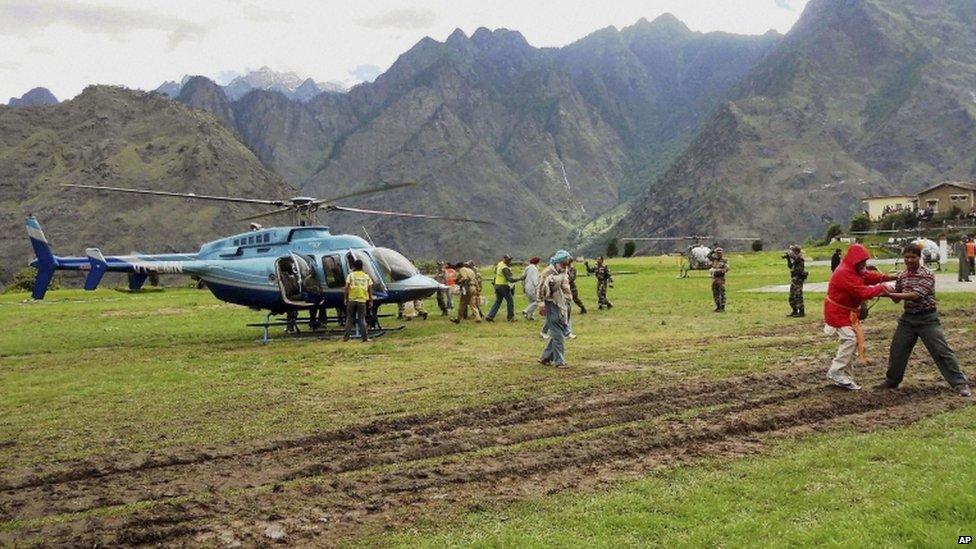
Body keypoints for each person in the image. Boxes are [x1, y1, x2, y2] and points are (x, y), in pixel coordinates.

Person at [877, 244, 971, 397]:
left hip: (927, 318)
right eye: (906, 257)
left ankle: (960, 383)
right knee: (897, 350)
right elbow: (897, 298)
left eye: (913, 257)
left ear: (919, 258)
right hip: (908, 318)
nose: (909, 260)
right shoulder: (902, 275)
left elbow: (915, 295)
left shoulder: (927, 274)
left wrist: (890, 294)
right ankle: (892, 381)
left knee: (941, 351)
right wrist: (882, 289)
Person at [822, 244, 895, 390]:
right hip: (837, 312)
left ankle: (845, 376)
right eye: (862, 262)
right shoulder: (844, 273)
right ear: (855, 261)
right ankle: (836, 371)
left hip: (846, 312)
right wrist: (883, 287)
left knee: (851, 341)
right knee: (850, 339)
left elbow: (868, 276)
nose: (864, 265)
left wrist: (888, 277)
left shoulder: (854, 269)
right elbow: (863, 293)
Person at [538, 250, 573, 368]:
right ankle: (559, 361)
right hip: (553, 304)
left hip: (564, 305)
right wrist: (541, 304)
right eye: (564, 263)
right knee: (558, 334)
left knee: (559, 333)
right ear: (558, 262)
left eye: (567, 264)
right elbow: (540, 288)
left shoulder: (563, 271)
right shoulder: (547, 272)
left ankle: (546, 357)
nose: (566, 266)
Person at [343, 259, 373, 342]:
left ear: (354, 267)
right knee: (362, 319)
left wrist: (345, 298)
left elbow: (346, 287)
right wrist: (371, 300)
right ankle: (365, 338)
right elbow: (370, 289)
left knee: (349, 318)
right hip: (362, 300)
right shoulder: (366, 276)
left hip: (352, 299)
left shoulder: (351, 275)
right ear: (362, 267)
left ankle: (346, 338)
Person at [485, 254, 523, 322]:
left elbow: (495, 272)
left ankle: (490, 316)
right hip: (504, 286)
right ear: (504, 259)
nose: (509, 261)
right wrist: (520, 278)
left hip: (497, 285)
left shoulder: (500, 264)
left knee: (498, 301)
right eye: (508, 260)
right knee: (510, 301)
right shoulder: (505, 268)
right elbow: (510, 279)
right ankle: (510, 317)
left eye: (510, 260)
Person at [785, 244, 807, 317]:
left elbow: (797, 259)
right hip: (794, 279)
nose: (792, 253)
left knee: (798, 295)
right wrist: (788, 259)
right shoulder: (796, 259)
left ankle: (801, 312)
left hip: (798, 279)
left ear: (796, 252)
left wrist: (791, 255)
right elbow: (790, 266)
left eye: (793, 251)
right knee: (791, 296)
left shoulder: (800, 258)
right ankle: (794, 310)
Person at [709, 248, 728, 312]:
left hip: (720, 278)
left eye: (720, 253)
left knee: (721, 293)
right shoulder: (714, 260)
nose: (719, 254)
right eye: (717, 253)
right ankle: (718, 306)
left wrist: (717, 271)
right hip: (714, 278)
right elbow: (708, 256)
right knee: (715, 293)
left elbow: (726, 269)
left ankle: (722, 307)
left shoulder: (724, 260)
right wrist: (713, 251)